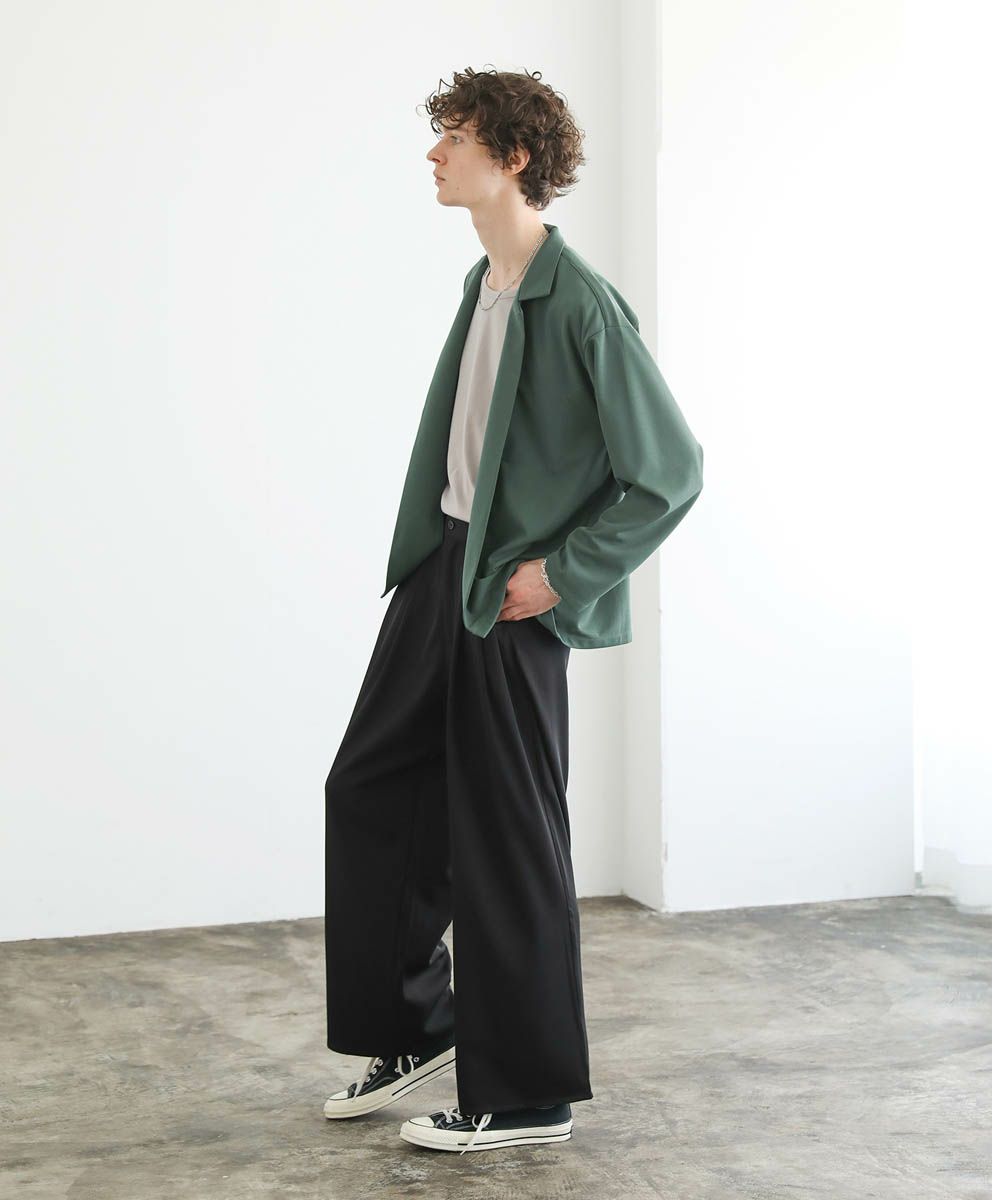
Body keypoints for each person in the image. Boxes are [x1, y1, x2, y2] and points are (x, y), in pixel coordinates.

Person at [322, 66, 705, 1155]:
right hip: (444, 569)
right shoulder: (485, 281)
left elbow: (670, 471)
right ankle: (417, 1024)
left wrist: (564, 574)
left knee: (506, 830)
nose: (435, 154)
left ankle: (529, 1093)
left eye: (454, 136)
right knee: (371, 788)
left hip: (512, 593)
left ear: (515, 156)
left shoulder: (578, 301)